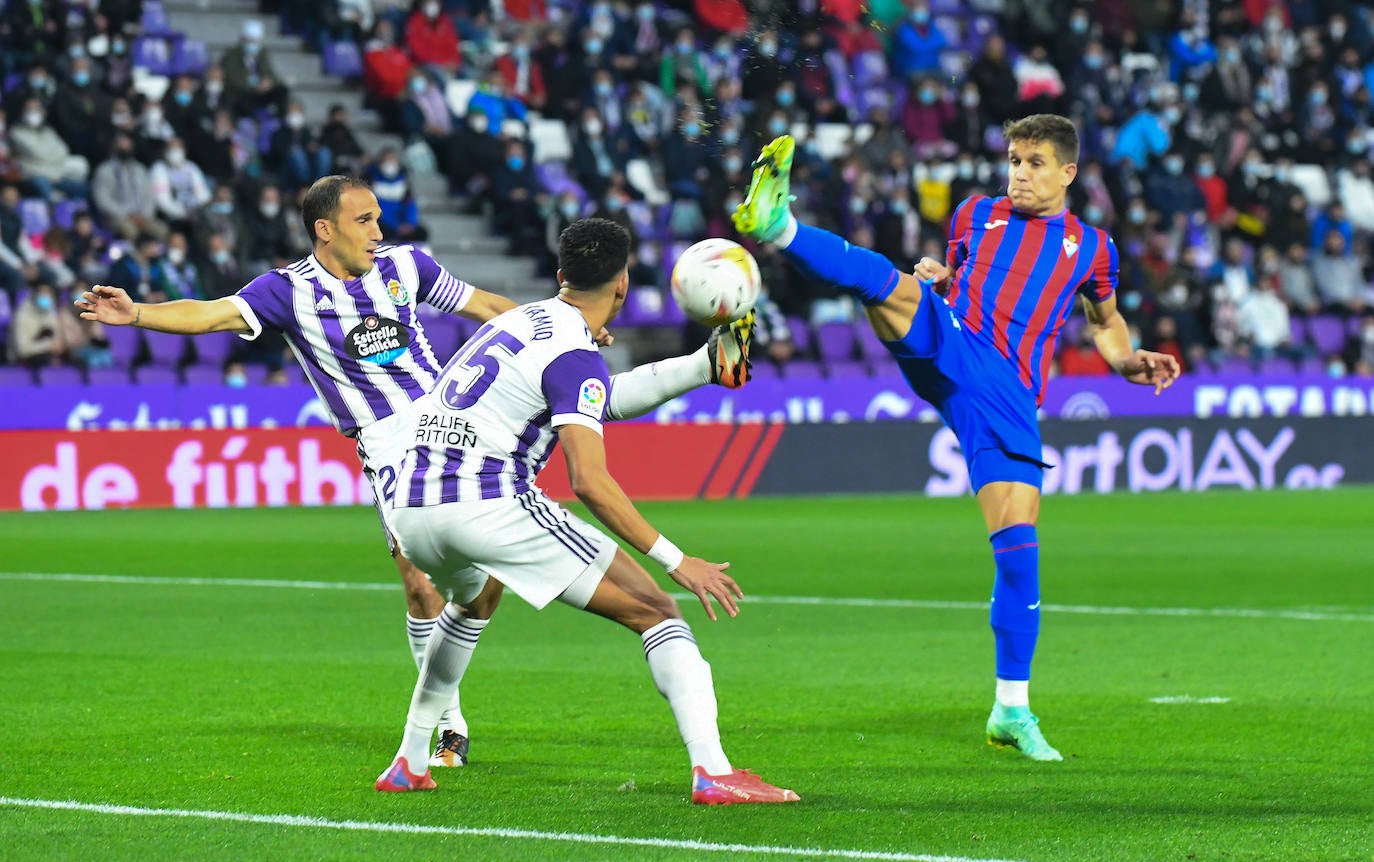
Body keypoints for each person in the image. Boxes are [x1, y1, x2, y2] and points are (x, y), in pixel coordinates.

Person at [75, 175, 757, 772]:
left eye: (377, 218)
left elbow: (486, 306)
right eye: (363, 220)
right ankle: (446, 721)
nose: (378, 230)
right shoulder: (288, 291)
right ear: (325, 229)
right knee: (421, 578)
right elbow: (213, 314)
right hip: (384, 444)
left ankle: (423, 735)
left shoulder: (405, 267)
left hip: (448, 420)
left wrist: (561, 329)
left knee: (486, 571)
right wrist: (138, 314)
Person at [731, 117, 1181, 761]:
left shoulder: (1091, 247)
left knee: (1018, 552)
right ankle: (778, 226)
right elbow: (964, 277)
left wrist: (1129, 359)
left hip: (1005, 394)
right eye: (1014, 160)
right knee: (881, 281)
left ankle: (1011, 708)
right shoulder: (975, 213)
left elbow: (1104, 320)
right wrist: (942, 280)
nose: (1019, 173)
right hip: (951, 340)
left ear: (1067, 173)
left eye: (1034, 162)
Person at [375, 218, 796, 805]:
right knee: (656, 610)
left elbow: (599, 398)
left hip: (410, 509)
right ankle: (714, 772)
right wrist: (676, 560)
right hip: (485, 502)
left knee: (475, 601)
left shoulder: (520, 321)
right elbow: (590, 483)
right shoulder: (574, 352)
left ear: (560, 276)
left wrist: (703, 366)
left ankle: (411, 759)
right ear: (622, 286)